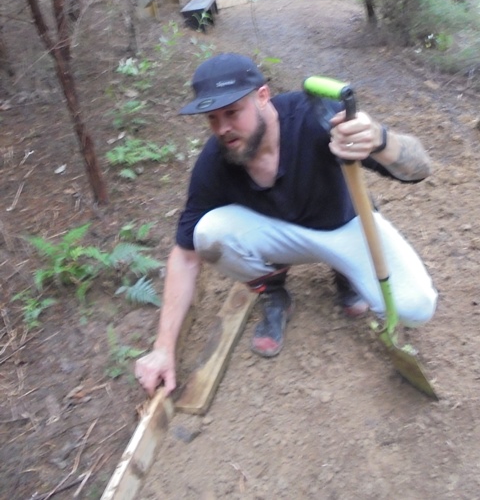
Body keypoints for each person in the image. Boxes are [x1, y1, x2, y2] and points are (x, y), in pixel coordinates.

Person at [135, 52, 437, 397]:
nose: (222, 129)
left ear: (263, 96)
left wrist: (381, 140)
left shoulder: (317, 119)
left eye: (232, 112)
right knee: (208, 234)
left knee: (416, 308)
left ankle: (346, 275)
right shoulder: (216, 161)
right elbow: (185, 256)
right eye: (212, 118)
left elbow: (420, 168)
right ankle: (274, 292)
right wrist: (162, 348)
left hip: (345, 226)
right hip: (284, 237)